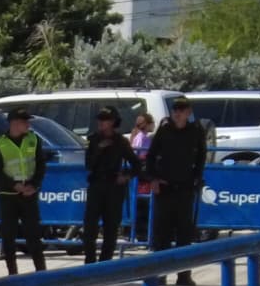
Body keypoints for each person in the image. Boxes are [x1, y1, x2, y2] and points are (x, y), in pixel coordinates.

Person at [143, 97, 208, 255]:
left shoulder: (195, 131)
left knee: (184, 234)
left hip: (185, 189)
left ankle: (183, 274)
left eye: (181, 110)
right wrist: (153, 179)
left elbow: (201, 156)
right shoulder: (164, 130)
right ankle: (161, 275)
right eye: (175, 110)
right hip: (165, 189)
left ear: (188, 112)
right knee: (162, 234)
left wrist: (197, 177)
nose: (177, 113)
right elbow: (150, 156)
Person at [0, 109, 50, 272]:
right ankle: (12, 274)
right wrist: (14, 186)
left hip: (29, 194)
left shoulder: (34, 140)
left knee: (34, 236)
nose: (28, 125)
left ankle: (41, 273)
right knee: (9, 237)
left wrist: (34, 185)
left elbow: (41, 165)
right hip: (9, 196)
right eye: (25, 121)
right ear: (14, 123)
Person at [79, 107, 132, 261]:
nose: (101, 123)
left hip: (114, 188)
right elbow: (89, 165)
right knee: (89, 228)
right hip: (96, 186)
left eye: (105, 120)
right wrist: (99, 150)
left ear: (113, 122)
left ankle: (105, 264)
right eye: (100, 119)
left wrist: (126, 176)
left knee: (111, 228)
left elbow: (136, 164)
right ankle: (89, 262)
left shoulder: (121, 142)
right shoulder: (93, 140)